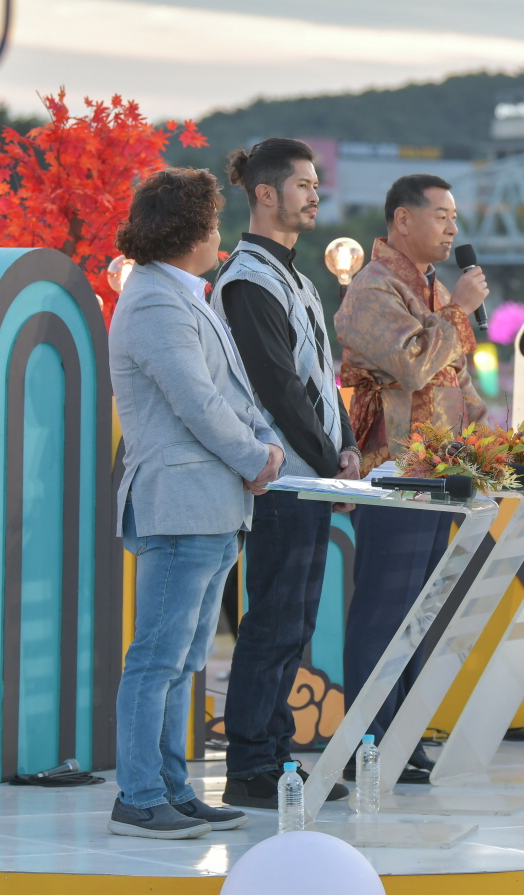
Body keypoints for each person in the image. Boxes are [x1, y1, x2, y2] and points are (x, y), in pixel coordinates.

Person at [108, 168, 281, 839]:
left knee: (182, 660)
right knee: (156, 657)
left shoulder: (184, 294)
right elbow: (197, 402)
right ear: (187, 232)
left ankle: (173, 790)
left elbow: (232, 394)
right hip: (181, 505)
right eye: (212, 223)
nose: (219, 235)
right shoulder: (154, 301)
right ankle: (139, 795)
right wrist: (255, 458)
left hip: (212, 506)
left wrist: (265, 446)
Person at [210, 138, 358, 808]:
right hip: (280, 482)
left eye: (316, 183)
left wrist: (346, 446)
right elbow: (276, 388)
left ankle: (276, 756)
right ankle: (250, 765)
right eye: (303, 184)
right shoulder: (246, 280)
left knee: (293, 623)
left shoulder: (296, 278)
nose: (315, 194)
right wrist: (331, 462)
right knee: (271, 622)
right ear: (265, 194)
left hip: (310, 477)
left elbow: (321, 379)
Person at [333, 173, 489, 782]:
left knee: (420, 612)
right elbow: (416, 365)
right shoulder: (373, 287)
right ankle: (365, 744)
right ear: (403, 219)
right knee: (385, 608)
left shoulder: (430, 287)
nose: (453, 228)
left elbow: (456, 377)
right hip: (395, 471)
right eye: (441, 215)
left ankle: (402, 736)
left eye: (455, 217)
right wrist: (459, 311)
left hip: (440, 472)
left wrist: (485, 425)